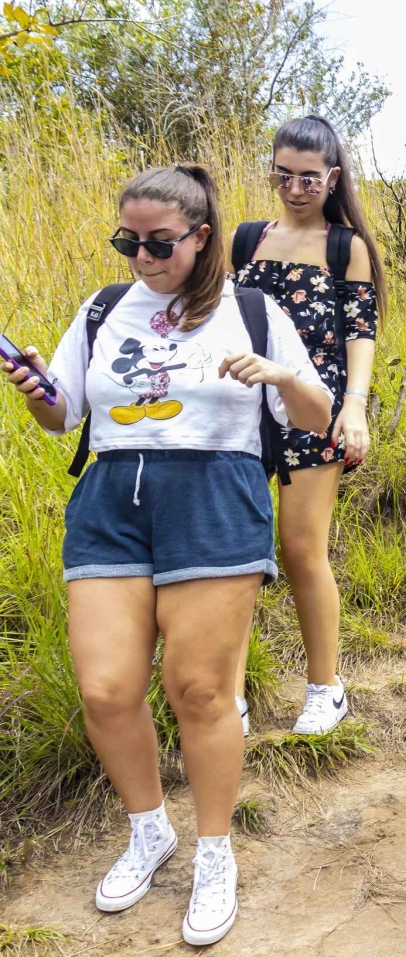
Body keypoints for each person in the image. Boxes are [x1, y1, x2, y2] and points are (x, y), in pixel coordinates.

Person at [3, 166, 332, 946]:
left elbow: (313, 411)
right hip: (113, 498)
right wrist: (35, 390)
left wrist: (281, 373)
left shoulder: (253, 310)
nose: (142, 257)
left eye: (159, 243)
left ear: (201, 236)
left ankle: (214, 851)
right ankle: (148, 829)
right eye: (129, 242)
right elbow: (64, 417)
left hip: (216, 494)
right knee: (107, 688)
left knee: (199, 688)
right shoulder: (103, 308)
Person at [230, 115, 383, 738]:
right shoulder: (244, 240)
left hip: (312, 410)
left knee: (300, 549)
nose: (296, 188)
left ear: (332, 178)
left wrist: (355, 407)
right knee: (234, 558)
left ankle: (327, 688)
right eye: (284, 175)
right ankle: (228, 696)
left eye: (309, 178)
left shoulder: (346, 246)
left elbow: (362, 334)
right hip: (241, 411)